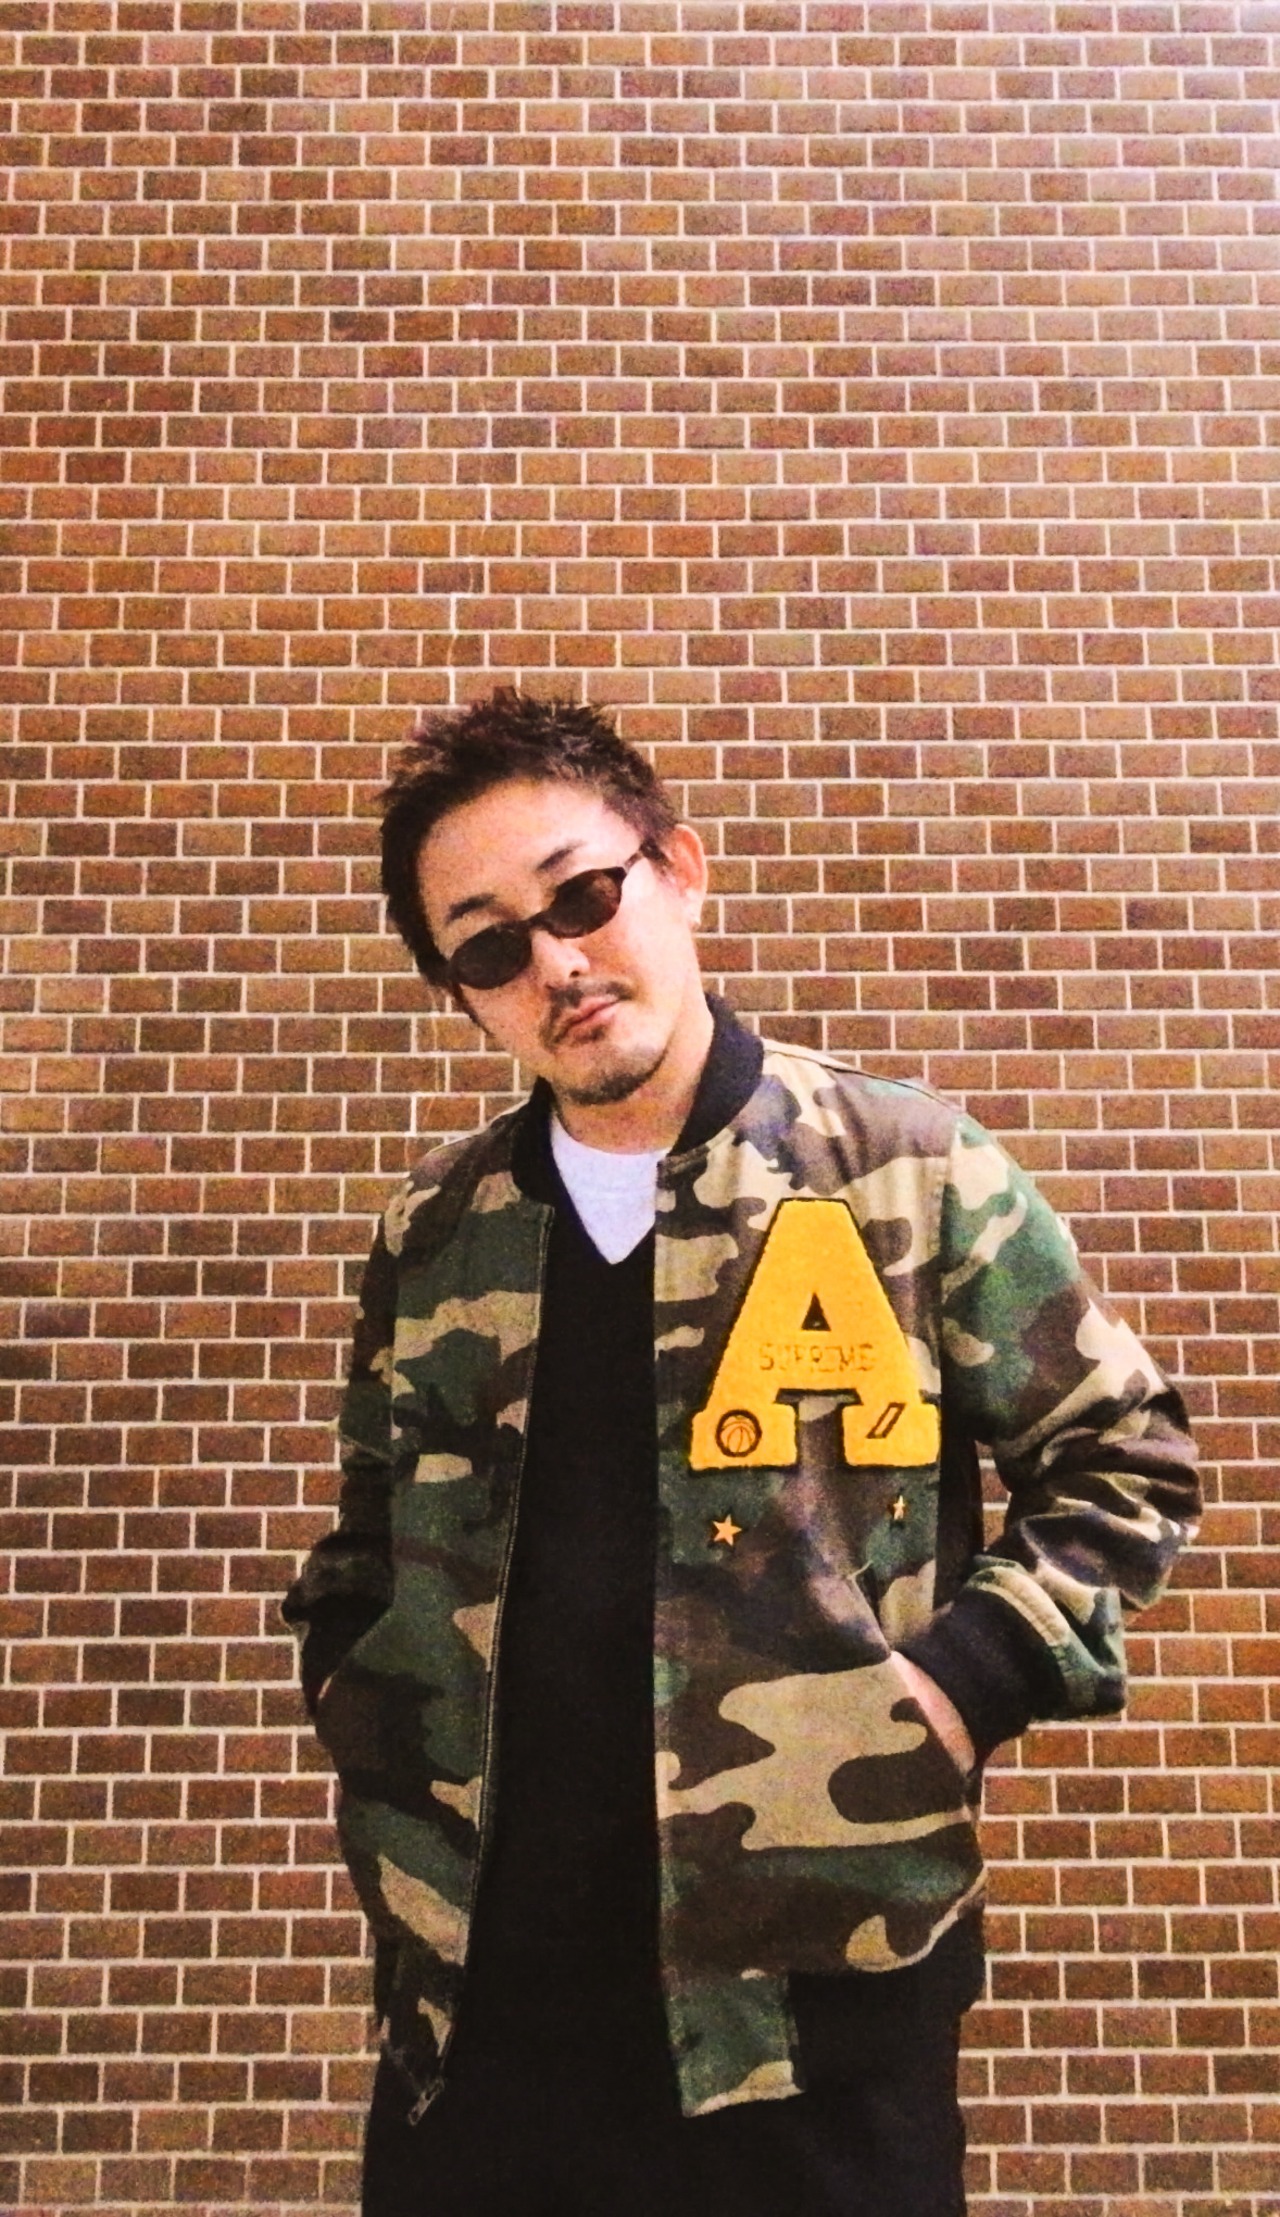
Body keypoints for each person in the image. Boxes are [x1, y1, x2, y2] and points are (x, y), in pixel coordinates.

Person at [282, 691, 1200, 2217]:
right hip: (481, 2037)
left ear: (681, 870)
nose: (556, 963)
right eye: (490, 947)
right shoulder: (436, 1234)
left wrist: (957, 1688)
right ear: (462, 995)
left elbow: (1125, 1457)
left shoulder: (907, 1174)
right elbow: (369, 1535)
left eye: (584, 894)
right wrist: (359, 1698)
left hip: (811, 2028)